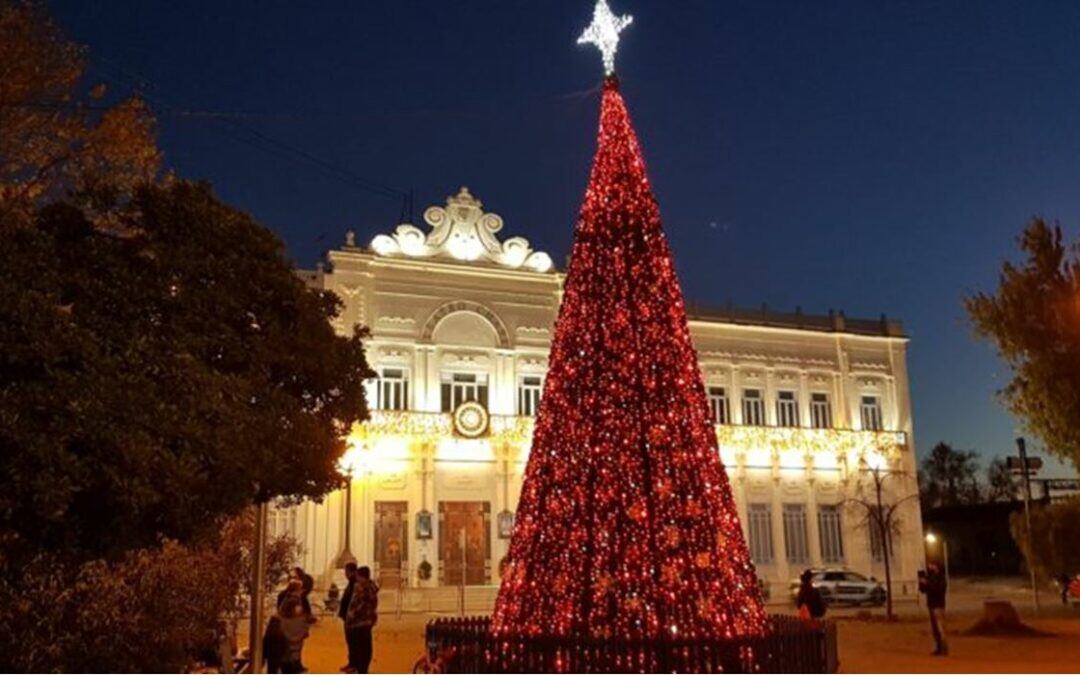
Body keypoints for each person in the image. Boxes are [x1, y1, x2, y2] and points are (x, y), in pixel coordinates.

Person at [344, 566, 379, 674]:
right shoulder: (371, 588)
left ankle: (361, 668)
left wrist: (351, 615)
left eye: (358, 576)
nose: (357, 579)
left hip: (359, 622)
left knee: (360, 647)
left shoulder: (362, 588)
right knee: (366, 646)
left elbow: (358, 605)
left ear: (362, 577)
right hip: (367, 621)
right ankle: (363, 668)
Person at [918, 563, 948, 656]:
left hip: (938, 605)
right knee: (935, 628)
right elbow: (923, 590)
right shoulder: (930, 577)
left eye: (932, 565)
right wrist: (921, 581)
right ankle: (938, 647)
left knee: (940, 627)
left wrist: (927, 583)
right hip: (931, 605)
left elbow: (938, 589)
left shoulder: (941, 577)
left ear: (936, 566)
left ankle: (944, 648)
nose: (929, 566)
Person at [279, 597, 311, 674]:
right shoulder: (302, 621)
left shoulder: (279, 620)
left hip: (283, 654)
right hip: (296, 653)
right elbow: (305, 634)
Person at [338, 562, 358, 673]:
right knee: (351, 642)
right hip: (348, 617)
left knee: (352, 642)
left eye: (346, 571)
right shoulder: (352, 582)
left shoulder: (353, 583)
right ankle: (352, 663)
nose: (345, 574)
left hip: (350, 618)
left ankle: (354, 664)